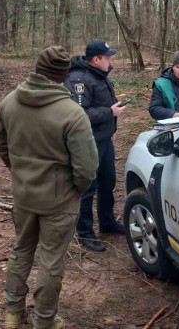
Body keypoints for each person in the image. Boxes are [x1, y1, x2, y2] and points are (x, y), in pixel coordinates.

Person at [0, 46, 99, 329]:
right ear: (63, 75)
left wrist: (21, 174)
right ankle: (44, 321)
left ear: (37, 68)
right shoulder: (72, 113)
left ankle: (13, 314)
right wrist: (75, 189)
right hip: (59, 201)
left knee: (21, 250)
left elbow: (1, 145)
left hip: (24, 196)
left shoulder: (9, 103)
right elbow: (87, 168)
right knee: (51, 261)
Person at [64, 39, 126, 252]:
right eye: (108, 57)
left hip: (104, 140)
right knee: (87, 188)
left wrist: (111, 130)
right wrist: (110, 112)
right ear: (96, 59)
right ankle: (85, 232)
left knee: (107, 182)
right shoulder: (78, 80)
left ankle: (108, 222)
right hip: (86, 143)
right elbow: (79, 114)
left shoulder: (100, 76)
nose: (111, 61)